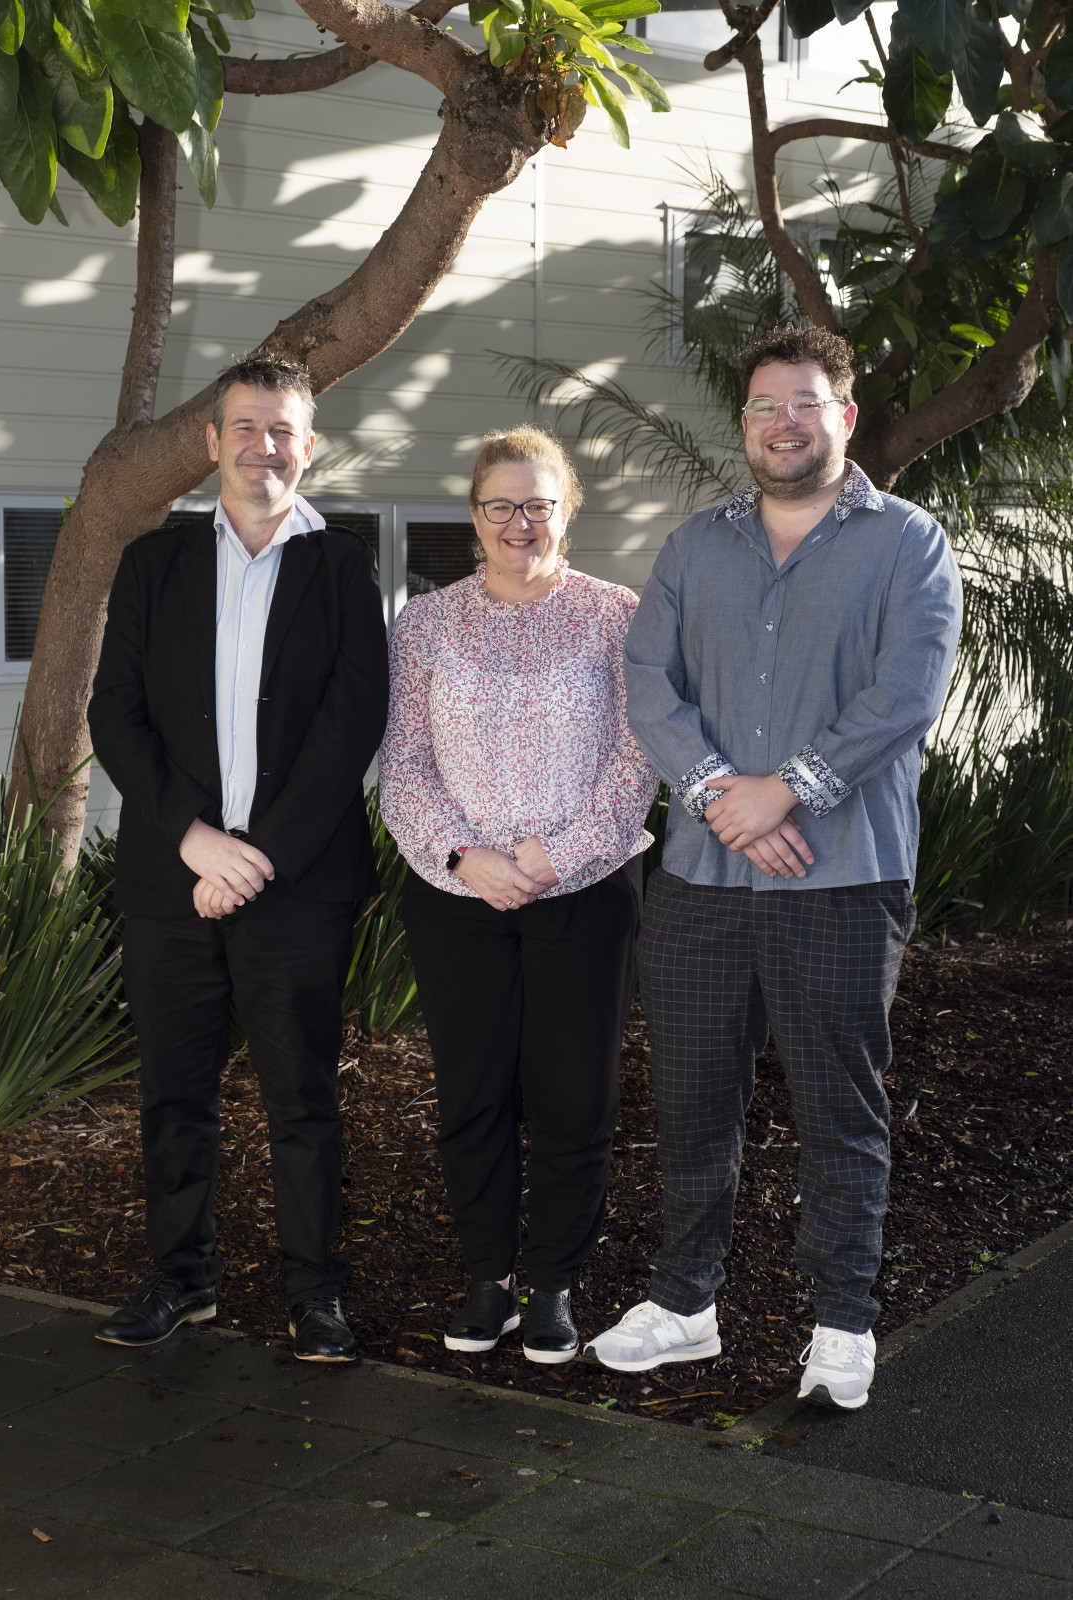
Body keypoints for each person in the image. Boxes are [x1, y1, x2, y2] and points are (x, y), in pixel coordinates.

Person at [584, 326, 962, 1409]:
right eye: (764, 406)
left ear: (844, 416)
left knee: (840, 1108)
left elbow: (904, 692)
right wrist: (721, 795)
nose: (783, 423)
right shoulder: (693, 547)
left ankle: (842, 1320)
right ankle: (684, 1303)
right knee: (693, 1100)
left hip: (842, 878)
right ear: (743, 423)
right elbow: (647, 680)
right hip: (701, 883)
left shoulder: (908, 543)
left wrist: (787, 788)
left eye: (805, 403)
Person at [87, 354, 388, 1361]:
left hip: (297, 887)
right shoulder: (154, 563)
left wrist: (258, 857)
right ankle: (181, 1280)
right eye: (247, 427)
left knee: (302, 1097)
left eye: (283, 430)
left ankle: (316, 1297)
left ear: (310, 446)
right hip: (172, 883)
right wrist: (196, 841)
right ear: (213, 441)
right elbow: (114, 714)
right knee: (175, 1094)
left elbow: (353, 722)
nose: (265, 446)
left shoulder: (341, 565)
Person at [378, 426, 658, 1364]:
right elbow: (402, 766)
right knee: (473, 1092)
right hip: (456, 894)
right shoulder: (424, 624)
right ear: (473, 515)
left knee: (574, 1095)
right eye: (500, 505)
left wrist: (553, 857)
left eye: (537, 504)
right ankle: (487, 1279)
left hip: (584, 891)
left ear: (566, 510)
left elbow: (637, 760)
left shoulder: (616, 615)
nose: (519, 522)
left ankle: (553, 1285)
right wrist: (466, 856)